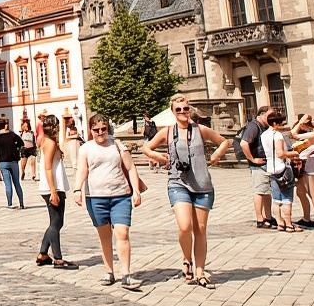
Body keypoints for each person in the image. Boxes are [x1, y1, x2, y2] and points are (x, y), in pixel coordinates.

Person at [143, 95, 231, 289]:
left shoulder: (200, 130)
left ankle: (200, 271)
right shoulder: (167, 132)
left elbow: (225, 141)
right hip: (178, 183)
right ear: (173, 112)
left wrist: (217, 154)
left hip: (202, 185)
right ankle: (186, 258)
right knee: (185, 226)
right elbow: (146, 148)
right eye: (178, 109)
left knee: (200, 229)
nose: (183, 112)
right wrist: (158, 156)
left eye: (185, 108)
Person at [74, 113, 142, 288]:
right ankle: (109, 271)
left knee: (122, 233)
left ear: (108, 128)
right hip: (96, 197)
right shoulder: (85, 149)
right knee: (105, 236)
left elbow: (131, 168)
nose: (100, 133)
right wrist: (77, 189)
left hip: (120, 195)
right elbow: (82, 169)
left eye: (103, 129)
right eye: (96, 130)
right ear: (91, 130)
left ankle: (126, 274)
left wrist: (136, 191)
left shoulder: (117, 144)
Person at [35, 114, 77, 271]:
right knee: (56, 223)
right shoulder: (50, 143)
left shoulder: (45, 141)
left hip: (52, 186)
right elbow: (48, 168)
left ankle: (43, 254)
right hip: (53, 187)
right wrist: (53, 191)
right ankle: (58, 259)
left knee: (55, 222)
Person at [262, 111, 299, 231]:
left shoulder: (264, 135)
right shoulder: (277, 135)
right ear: (274, 123)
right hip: (282, 168)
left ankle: (280, 223)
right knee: (287, 199)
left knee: (276, 199)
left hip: (271, 169)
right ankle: (288, 224)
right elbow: (280, 153)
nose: (281, 125)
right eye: (280, 123)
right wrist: (294, 153)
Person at [240, 105, 276, 228]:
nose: (272, 119)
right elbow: (244, 143)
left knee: (266, 191)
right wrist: (252, 159)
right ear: (261, 114)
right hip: (258, 166)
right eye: (269, 116)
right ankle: (260, 219)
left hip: (265, 164)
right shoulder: (254, 126)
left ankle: (269, 216)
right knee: (259, 191)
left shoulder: (264, 127)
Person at [290, 114, 314, 228]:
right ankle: (306, 218)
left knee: (312, 192)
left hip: (310, 163)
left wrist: (301, 122)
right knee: (301, 192)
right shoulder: (309, 134)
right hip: (303, 163)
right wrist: (300, 123)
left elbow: (293, 134)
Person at [0, 119, 25, 209]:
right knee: (17, 183)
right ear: (5, 125)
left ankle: (10, 204)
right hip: (13, 161)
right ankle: (21, 203)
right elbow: (21, 143)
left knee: (8, 184)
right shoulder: (12, 135)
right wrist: (16, 149)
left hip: (3, 162)